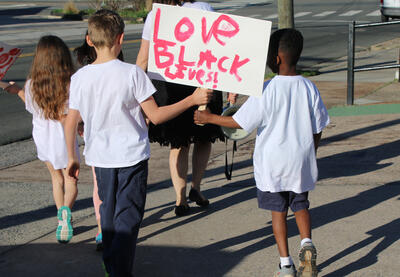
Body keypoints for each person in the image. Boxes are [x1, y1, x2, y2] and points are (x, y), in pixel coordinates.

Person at [64, 9, 212, 276]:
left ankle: (112, 265)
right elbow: (155, 115)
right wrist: (191, 100)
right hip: (131, 157)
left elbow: (70, 122)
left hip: (100, 158)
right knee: (128, 219)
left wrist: (71, 157)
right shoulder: (132, 74)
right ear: (121, 38)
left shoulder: (80, 78)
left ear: (89, 40)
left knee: (108, 217)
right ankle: (119, 269)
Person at [194, 28, 330, 277]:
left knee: (278, 213)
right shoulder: (309, 87)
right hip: (300, 161)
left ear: (276, 58)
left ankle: (286, 264)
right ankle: (307, 247)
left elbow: (241, 123)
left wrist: (209, 116)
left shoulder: (266, 89)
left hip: (273, 164)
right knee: (301, 206)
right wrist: (312, 149)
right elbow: (319, 126)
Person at [136, 0, 237, 216]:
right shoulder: (202, 8)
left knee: (178, 142)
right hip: (202, 81)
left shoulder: (156, 15)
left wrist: (131, 91)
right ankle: (196, 188)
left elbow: (143, 58)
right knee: (203, 136)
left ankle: (180, 197)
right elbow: (220, 49)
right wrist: (232, 85)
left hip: (170, 83)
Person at [3, 35, 79, 243]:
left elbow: (30, 103)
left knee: (56, 179)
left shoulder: (32, 84)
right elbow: (72, 114)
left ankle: (61, 218)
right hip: (64, 137)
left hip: (43, 139)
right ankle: (66, 212)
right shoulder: (71, 83)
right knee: (71, 178)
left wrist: (14, 89)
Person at [73, 28, 124, 251]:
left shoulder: (83, 73)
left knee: (100, 187)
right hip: (121, 140)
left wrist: (80, 126)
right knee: (119, 188)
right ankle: (112, 228)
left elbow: (76, 111)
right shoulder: (121, 66)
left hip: (96, 142)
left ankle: (103, 228)